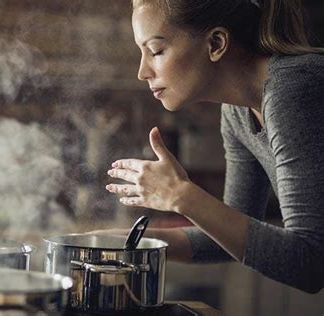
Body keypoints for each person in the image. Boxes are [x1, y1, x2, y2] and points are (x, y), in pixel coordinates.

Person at [104, 0, 324, 294]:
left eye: (156, 51)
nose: (142, 71)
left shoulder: (293, 88)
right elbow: (227, 235)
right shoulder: (237, 112)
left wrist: (180, 195)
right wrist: (119, 242)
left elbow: (309, 264)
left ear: (216, 43)